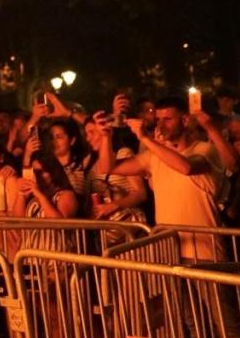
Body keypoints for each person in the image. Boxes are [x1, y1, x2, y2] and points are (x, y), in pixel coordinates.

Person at [93, 97, 224, 262]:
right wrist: (106, 137)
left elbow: (186, 168)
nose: (161, 125)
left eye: (168, 119)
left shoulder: (205, 149)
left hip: (204, 252)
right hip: (168, 251)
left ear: (184, 120)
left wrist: (146, 139)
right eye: (158, 120)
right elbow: (108, 168)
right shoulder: (153, 156)